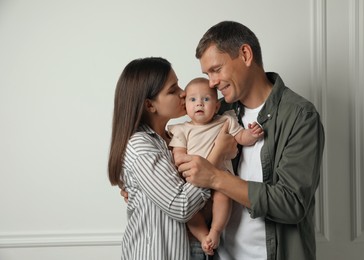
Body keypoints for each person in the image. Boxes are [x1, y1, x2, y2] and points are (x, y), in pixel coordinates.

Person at [175, 21, 325, 260]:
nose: (211, 83)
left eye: (216, 69)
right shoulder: (217, 112)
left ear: (245, 54)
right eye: (207, 74)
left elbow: (292, 203)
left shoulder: (299, 116)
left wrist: (216, 177)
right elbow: (179, 150)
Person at [108, 57, 230, 260]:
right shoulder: (141, 147)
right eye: (173, 90)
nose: (183, 93)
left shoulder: (172, 138)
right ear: (150, 105)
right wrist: (218, 154)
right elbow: (181, 207)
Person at [168, 77, 263, 258]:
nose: (199, 104)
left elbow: (240, 137)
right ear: (185, 105)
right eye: (193, 99)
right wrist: (183, 161)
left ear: (217, 106)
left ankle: (215, 231)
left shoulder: (225, 121)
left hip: (220, 179)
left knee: (223, 197)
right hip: (193, 183)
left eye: (206, 99)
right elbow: (179, 155)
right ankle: (203, 236)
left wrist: (251, 134)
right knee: (191, 212)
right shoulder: (182, 129)